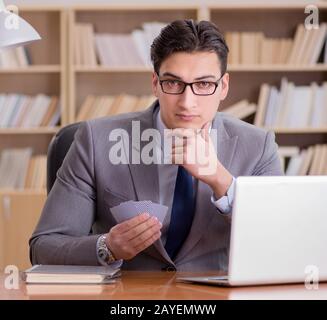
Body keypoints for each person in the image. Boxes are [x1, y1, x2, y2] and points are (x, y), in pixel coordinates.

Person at [29, 19, 283, 271]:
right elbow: (44, 247)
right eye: (173, 83)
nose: (187, 102)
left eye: (204, 84)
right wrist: (108, 247)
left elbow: (279, 244)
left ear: (223, 86)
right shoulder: (96, 140)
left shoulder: (259, 147)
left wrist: (220, 180)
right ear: (155, 83)